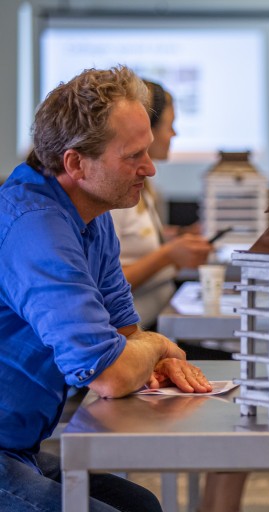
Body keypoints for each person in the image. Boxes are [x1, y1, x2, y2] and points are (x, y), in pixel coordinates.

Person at [0, 65, 213, 512]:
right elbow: (111, 373)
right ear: (76, 163)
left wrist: (143, 351)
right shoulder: (36, 228)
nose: (150, 168)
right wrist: (155, 346)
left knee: (141, 506)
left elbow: (124, 337)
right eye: (133, 155)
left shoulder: (92, 218)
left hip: (18, 445)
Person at [110, 79, 212, 330]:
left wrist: (178, 237)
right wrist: (168, 255)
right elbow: (104, 282)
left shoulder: (146, 190)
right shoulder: (114, 195)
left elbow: (135, 241)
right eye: (170, 125)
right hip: (132, 332)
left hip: (154, 321)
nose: (174, 134)